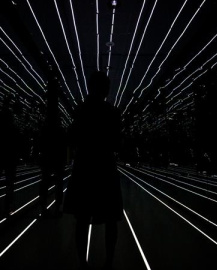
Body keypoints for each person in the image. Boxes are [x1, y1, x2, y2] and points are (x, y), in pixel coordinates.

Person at [64, 71, 123, 269]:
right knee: (111, 217)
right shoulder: (112, 112)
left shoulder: (80, 110)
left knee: (82, 217)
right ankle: (109, 261)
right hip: (105, 166)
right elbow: (117, 143)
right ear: (105, 89)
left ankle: (83, 262)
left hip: (85, 166)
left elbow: (70, 138)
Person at [39, 79, 66, 217]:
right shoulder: (58, 128)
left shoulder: (46, 126)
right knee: (58, 182)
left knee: (45, 180)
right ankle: (56, 208)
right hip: (57, 155)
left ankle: (44, 207)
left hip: (48, 153)